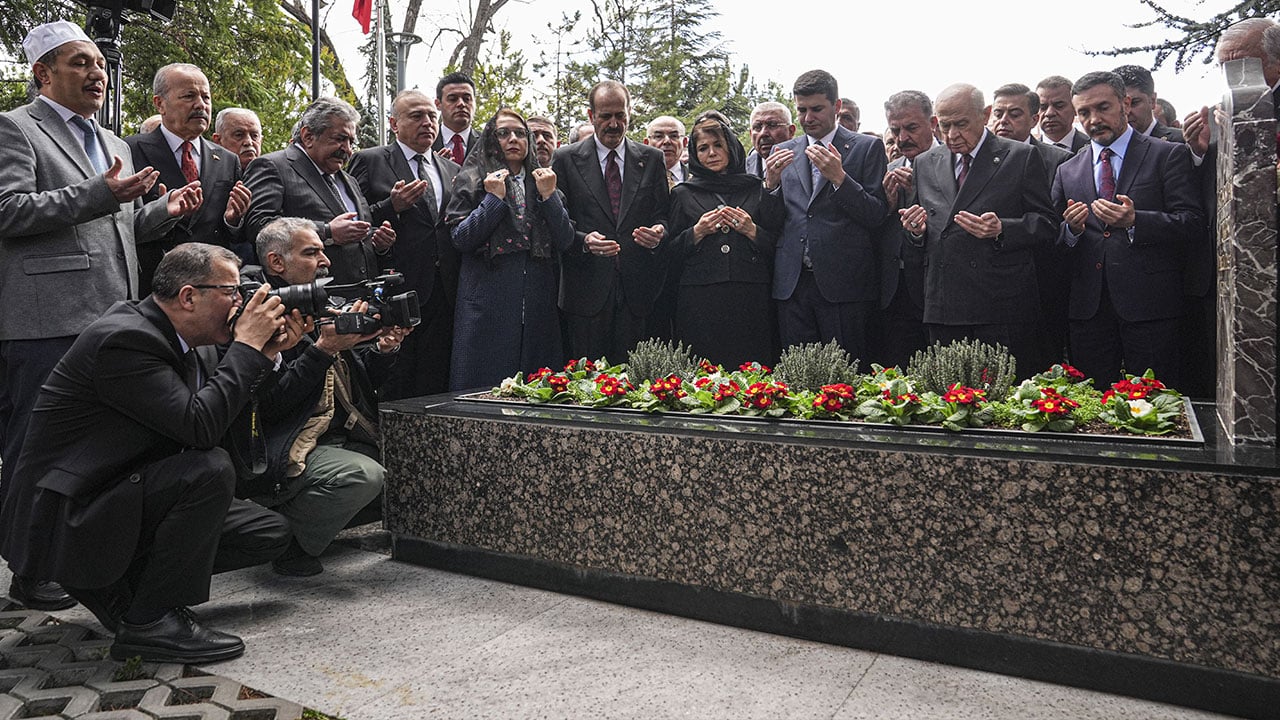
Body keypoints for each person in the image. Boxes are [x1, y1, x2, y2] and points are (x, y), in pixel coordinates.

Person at [0, 242, 294, 662]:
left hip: (117, 486)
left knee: (266, 533)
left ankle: (118, 586)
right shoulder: (125, 340)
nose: (241, 303)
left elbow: (219, 417)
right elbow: (200, 427)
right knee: (209, 469)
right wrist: (246, 349)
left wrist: (265, 354)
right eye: (232, 292)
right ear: (189, 296)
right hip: (67, 515)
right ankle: (150, 622)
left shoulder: (192, 338)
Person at [0, 20, 202, 612]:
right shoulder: (15, 128)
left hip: (114, 316)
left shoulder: (114, 141)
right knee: (35, 446)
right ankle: (29, 568)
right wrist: (100, 194)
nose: (97, 72)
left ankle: (84, 557)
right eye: (80, 62)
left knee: (101, 443)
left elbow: (118, 227)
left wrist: (162, 211)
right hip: (45, 321)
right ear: (43, 73)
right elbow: (8, 210)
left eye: (98, 63)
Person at [242, 217, 402, 576]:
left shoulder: (322, 303)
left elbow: (357, 384)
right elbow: (271, 407)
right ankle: (287, 541)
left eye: (323, 251)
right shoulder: (258, 317)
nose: (325, 260)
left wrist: (384, 349)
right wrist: (324, 349)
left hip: (338, 435)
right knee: (363, 476)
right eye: (311, 252)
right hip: (285, 445)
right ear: (276, 263)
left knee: (408, 459)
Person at [1053, 71, 1203, 389]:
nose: (1094, 119)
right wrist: (1072, 231)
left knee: (1156, 403)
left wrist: (1136, 222)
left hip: (1151, 309)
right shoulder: (1067, 169)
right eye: (1084, 112)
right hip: (1089, 312)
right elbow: (1053, 239)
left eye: (1103, 107)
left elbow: (1192, 223)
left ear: (1125, 103)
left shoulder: (1167, 154)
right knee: (1091, 404)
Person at [898, 83, 1056, 370]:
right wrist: (915, 231)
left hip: (1000, 304)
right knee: (950, 390)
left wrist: (1002, 229)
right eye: (945, 126)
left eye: (961, 124)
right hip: (944, 304)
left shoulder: (1019, 157)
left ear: (984, 115)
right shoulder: (925, 163)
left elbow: (1047, 224)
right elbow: (922, 232)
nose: (952, 135)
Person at [759, 69, 888, 362]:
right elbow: (771, 222)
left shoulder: (866, 147)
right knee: (797, 373)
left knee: (846, 372)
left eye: (816, 109)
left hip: (844, 285)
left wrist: (840, 179)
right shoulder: (782, 150)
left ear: (836, 106)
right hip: (793, 284)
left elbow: (876, 214)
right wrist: (771, 186)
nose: (807, 118)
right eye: (801, 110)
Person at [446, 109, 574, 390]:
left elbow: (565, 240)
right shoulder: (472, 180)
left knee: (539, 391)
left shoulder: (544, 181)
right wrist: (493, 199)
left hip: (538, 306)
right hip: (487, 305)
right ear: (491, 140)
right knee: (482, 391)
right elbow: (461, 238)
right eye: (503, 133)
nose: (513, 139)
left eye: (520, 133)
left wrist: (549, 196)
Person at [348, 89, 461, 399]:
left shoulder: (451, 169)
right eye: (416, 116)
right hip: (394, 291)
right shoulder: (370, 160)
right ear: (394, 124)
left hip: (443, 291)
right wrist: (391, 207)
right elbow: (350, 216)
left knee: (435, 379)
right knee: (395, 380)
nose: (427, 122)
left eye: (432, 116)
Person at [552, 80, 670, 362]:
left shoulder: (652, 159)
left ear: (630, 114)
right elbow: (557, 222)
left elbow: (664, 215)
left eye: (620, 115)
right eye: (606, 116)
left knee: (638, 380)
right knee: (586, 378)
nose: (614, 124)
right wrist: (584, 241)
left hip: (637, 294)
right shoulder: (565, 159)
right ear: (591, 116)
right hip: (586, 293)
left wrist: (659, 232)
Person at [126, 63, 252, 295]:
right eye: (189, 96)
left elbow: (234, 236)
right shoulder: (129, 150)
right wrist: (162, 212)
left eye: (206, 97)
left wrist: (232, 221)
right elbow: (121, 227)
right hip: (154, 287)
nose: (200, 105)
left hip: (211, 289)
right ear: (160, 104)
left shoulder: (227, 159)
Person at [244, 96, 394, 286]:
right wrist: (327, 232)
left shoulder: (349, 180)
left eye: (351, 142)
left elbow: (358, 236)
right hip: (308, 295)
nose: (347, 150)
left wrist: (378, 243)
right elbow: (259, 225)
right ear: (308, 136)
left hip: (360, 294)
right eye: (340, 139)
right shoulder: (272, 166)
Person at [668, 112, 777, 367]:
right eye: (703, 148)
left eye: (718, 145)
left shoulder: (755, 187)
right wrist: (697, 232)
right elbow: (669, 251)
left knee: (752, 369)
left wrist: (751, 230)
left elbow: (777, 243)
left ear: (731, 147)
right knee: (703, 371)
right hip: (700, 296)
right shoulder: (683, 193)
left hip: (749, 294)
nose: (712, 153)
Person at [990, 82, 1073, 372]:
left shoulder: (1058, 160)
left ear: (1034, 119)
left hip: (1040, 283)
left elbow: (1054, 223)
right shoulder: (975, 160)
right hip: (989, 284)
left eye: (1014, 114)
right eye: (998, 113)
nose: (1004, 121)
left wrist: (1005, 228)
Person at [877, 90, 938, 370]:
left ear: (933, 124)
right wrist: (887, 206)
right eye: (895, 130)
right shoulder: (888, 169)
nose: (902, 138)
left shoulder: (952, 163)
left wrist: (920, 191)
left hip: (936, 287)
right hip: (895, 290)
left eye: (911, 128)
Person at [644, 115, 689, 341]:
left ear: (685, 142)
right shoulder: (636, 179)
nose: (667, 142)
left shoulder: (698, 178)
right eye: (658, 136)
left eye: (674, 136)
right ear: (646, 142)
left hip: (689, 273)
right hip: (649, 275)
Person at [1112, 65, 1184, 143]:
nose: (1126, 112)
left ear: (1152, 100)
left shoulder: (1182, 141)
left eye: (1134, 103)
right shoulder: (1107, 145)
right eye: (1118, 105)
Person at [432, 72, 479, 165]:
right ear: (438, 104)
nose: (461, 104)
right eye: (453, 99)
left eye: (466, 99)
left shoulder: (488, 144)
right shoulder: (424, 144)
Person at [1036, 75, 1091, 153]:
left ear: (1075, 108)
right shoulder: (1027, 153)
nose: (1049, 113)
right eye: (1043, 107)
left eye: (1059, 106)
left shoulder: (1093, 149)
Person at [745, 102, 796, 178]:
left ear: (791, 131)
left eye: (772, 125)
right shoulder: (744, 168)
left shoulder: (806, 163)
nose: (763, 133)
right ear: (751, 134)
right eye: (757, 127)